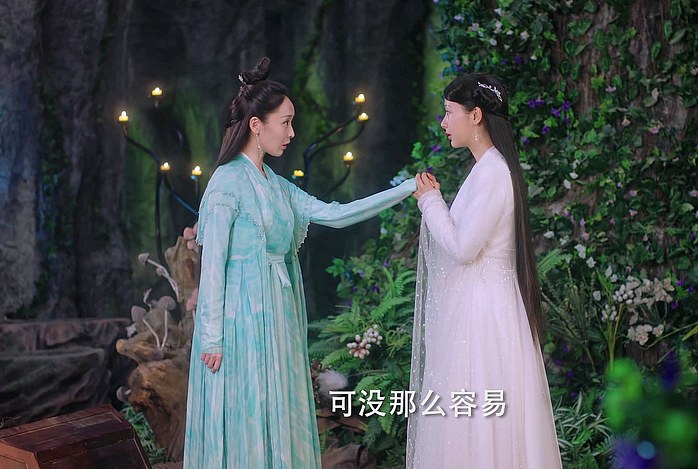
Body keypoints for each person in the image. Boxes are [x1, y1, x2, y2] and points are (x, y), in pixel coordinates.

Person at [183, 57, 417, 468]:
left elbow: (337, 214)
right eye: (286, 123)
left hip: (278, 318)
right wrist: (212, 338)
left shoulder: (277, 186)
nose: (292, 133)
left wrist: (408, 188)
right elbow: (213, 264)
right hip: (241, 325)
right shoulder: (226, 183)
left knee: (278, 412)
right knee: (246, 412)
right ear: (256, 125)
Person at [406, 73, 563, 468]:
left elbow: (463, 248)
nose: (444, 123)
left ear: (475, 116)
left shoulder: (493, 172)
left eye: (449, 113)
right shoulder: (486, 170)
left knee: (480, 412)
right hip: (479, 308)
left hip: (485, 315)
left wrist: (431, 202)